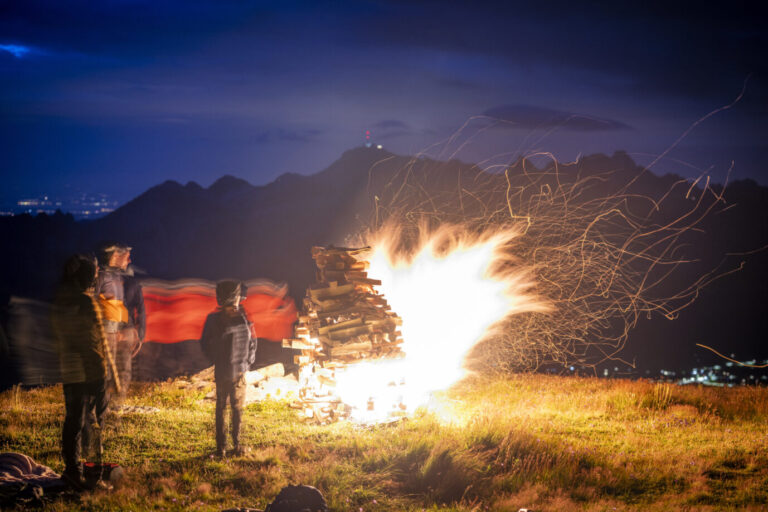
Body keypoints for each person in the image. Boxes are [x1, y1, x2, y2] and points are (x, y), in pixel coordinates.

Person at [50, 254, 115, 490]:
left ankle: (72, 471)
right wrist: (102, 374)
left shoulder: (60, 300)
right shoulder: (85, 303)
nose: (95, 280)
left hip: (69, 369)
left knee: (73, 422)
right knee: (93, 424)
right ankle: (92, 477)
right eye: (94, 275)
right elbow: (93, 341)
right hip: (90, 371)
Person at [199, 280, 256, 457]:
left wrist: (215, 359)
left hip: (224, 370)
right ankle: (236, 445)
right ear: (235, 297)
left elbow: (204, 343)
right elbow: (253, 342)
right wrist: (247, 363)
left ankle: (221, 448)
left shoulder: (214, 319)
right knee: (236, 408)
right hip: (238, 371)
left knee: (222, 408)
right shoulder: (243, 317)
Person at [94, 242, 135, 403]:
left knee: (122, 369)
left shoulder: (116, 277)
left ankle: (116, 403)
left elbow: (120, 304)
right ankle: (101, 408)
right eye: (126, 257)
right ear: (115, 257)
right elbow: (93, 302)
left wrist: (127, 328)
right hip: (106, 333)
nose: (129, 261)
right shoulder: (102, 277)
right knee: (106, 372)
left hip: (117, 332)